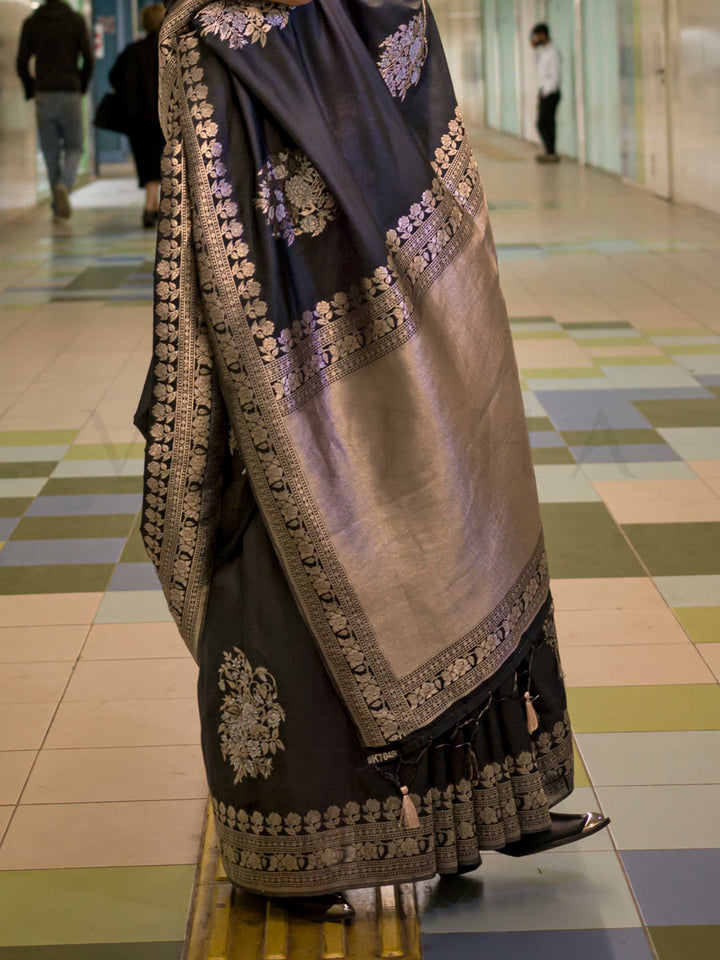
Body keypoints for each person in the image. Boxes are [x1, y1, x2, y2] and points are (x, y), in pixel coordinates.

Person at [135, 0, 608, 923]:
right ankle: (294, 853)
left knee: (453, 528)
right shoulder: (208, 40)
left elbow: (419, 127)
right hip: (284, 361)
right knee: (293, 566)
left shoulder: (367, 14)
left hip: (407, 328)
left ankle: (488, 804)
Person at [16, 0, 94, 220]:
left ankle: (56, 205)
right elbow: (88, 58)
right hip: (70, 90)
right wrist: (82, 85)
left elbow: (22, 61)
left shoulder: (32, 22)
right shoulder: (75, 20)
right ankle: (64, 185)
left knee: (50, 153)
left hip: (44, 92)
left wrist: (30, 88)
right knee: (75, 147)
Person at [109, 4, 166, 228]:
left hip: (139, 121)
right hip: (166, 119)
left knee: (147, 163)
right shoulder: (172, 49)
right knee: (165, 161)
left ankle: (149, 204)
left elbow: (114, 77)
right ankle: (159, 206)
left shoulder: (133, 52)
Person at [530, 22, 561, 163]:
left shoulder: (553, 52)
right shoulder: (542, 51)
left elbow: (555, 75)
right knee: (546, 123)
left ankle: (551, 152)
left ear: (543, 35)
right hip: (544, 90)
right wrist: (534, 47)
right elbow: (535, 62)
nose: (535, 38)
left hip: (551, 92)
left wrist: (546, 92)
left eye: (536, 36)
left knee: (544, 123)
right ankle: (549, 152)